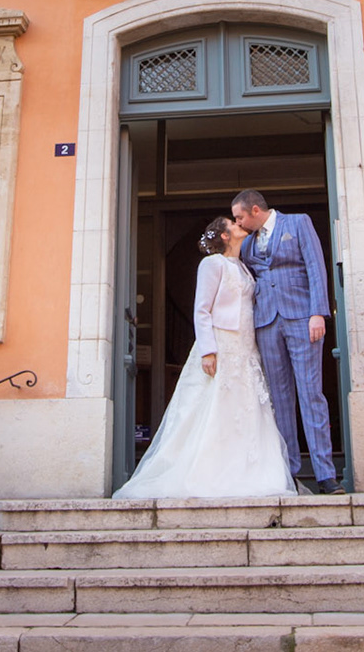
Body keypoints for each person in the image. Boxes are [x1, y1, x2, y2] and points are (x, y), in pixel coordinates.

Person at [117, 217, 295, 502]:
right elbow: (202, 309)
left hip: (245, 346)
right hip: (222, 344)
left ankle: (247, 471)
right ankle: (208, 472)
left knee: (247, 406)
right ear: (225, 235)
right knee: (215, 406)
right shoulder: (212, 264)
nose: (239, 225)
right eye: (233, 224)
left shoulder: (243, 266)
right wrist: (208, 351)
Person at [231, 189, 339, 494]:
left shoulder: (298, 223)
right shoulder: (247, 243)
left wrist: (318, 313)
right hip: (266, 323)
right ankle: (289, 473)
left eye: (239, 217)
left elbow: (316, 267)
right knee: (279, 399)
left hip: (301, 318)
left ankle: (325, 474)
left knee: (311, 393)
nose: (237, 223)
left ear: (255, 210)